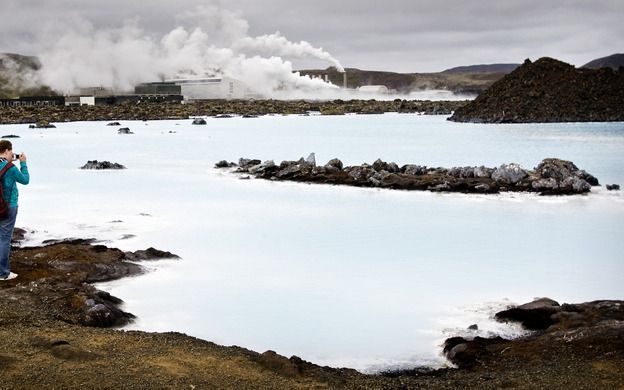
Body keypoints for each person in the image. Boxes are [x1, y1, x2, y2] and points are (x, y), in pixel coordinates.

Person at [0, 140, 29, 281]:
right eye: (11, 151)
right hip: (8, 206)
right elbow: (25, 180)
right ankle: (3, 273)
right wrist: (23, 163)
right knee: (4, 239)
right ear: (6, 151)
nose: (13, 153)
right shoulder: (10, 168)